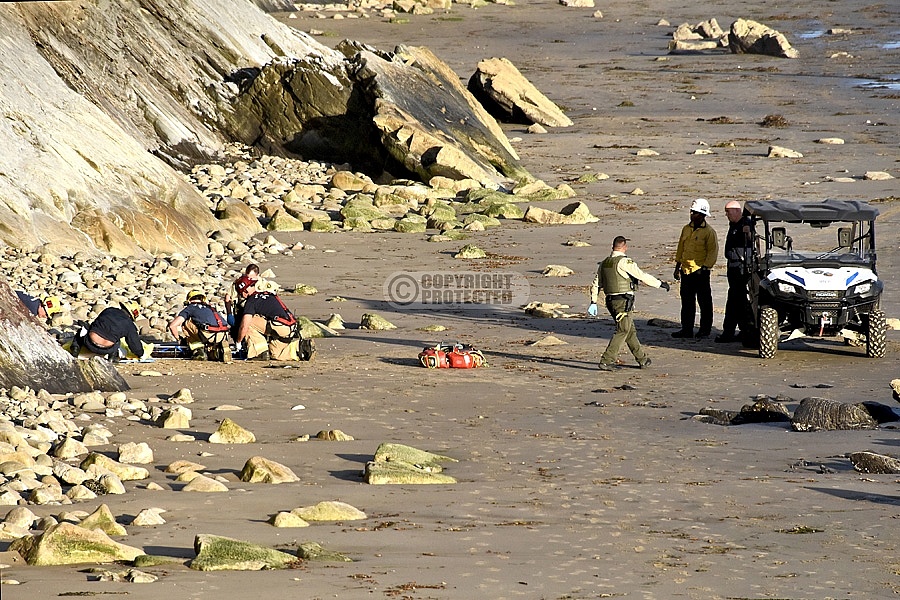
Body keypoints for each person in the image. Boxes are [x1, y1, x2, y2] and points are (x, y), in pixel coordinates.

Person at [588, 236, 671, 371]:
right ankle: (607, 360)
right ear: (625, 247)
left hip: (610, 301)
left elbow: (596, 284)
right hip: (623, 302)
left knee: (629, 331)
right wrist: (659, 284)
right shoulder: (625, 262)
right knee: (623, 330)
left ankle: (642, 359)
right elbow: (641, 275)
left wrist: (593, 301)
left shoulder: (604, 263)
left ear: (613, 247)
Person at [233, 275, 315, 361]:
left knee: (248, 323)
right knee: (276, 353)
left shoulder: (251, 302)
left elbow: (244, 326)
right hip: (290, 328)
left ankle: (259, 352)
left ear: (243, 292)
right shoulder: (267, 294)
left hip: (279, 326)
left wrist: (238, 342)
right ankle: (302, 348)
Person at [672, 198, 718, 339]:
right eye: (692, 212)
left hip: (700, 272)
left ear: (703, 215)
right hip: (686, 271)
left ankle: (705, 330)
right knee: (687, 303)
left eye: (696, 213)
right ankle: (686, 329)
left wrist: (705, 268)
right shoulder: (686, 229)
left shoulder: (709, 232)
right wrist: (677, 266)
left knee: (704, 303)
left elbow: (712, 252)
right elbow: (681, 248)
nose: (692, 215)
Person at [717, 201, 754, 343]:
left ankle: (733, 332)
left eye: (728, 212)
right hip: (733, 267)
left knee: (736, 301)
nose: (726, 215)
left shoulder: (746, 224)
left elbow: (751, 241)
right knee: (737, 301)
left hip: (741, 268)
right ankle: (742, 330)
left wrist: (748, 233)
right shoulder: (734, 225)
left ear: (737, 211)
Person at [167, 290, 232, 362]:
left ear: (189, 300)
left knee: (186, 323)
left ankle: (198, 349)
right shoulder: (210, 307)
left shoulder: (190, 308)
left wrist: (179, 339)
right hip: (223, 334)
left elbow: (172, 326)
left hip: (208, 335)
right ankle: (217, 350)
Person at [70, 302, 146, 362]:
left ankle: (75, 350)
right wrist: (140, 354)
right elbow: (134, 344)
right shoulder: (129, 324)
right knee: (117, 340)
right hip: (107, 349)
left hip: (89, 343)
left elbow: (95, 324)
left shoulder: (109, 310)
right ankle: (112, 358)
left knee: (82, 330)